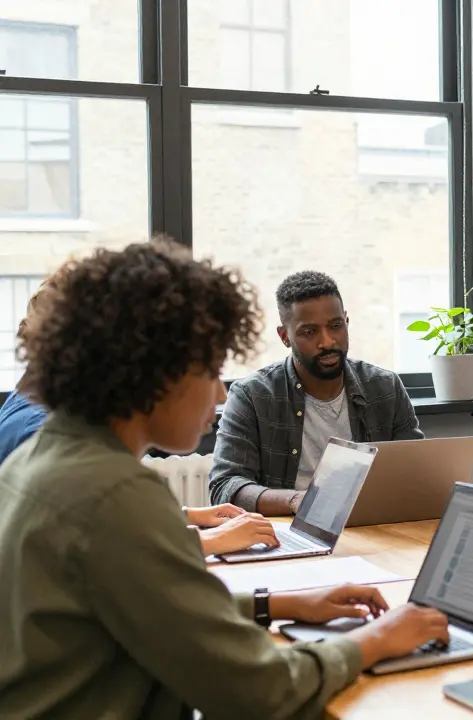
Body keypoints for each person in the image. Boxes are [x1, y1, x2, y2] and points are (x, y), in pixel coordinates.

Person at [0, 239, 448, 717]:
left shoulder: (43, 460)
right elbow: (260, 688)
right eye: (210, 369)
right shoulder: (116, 494)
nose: (219, 392)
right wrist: (377, 638)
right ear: (154, 373)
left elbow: (162, 609)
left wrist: (284, 604)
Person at [0, 269, 277, 556]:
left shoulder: (35, 408)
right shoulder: (45, 439)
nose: (220, 394)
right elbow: (103, 555)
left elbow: (89, 531)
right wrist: (210, 541)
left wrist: (183, 517)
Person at [209, 270, 424, 515]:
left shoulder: (385, 387)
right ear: (284, 336)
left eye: (335, 326)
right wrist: (298, 501)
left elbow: (414, 474)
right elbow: (225, 487)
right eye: (310, 332)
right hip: (288, 528)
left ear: (346, 321)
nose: (328, 341)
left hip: (371, 524)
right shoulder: (252, 395)